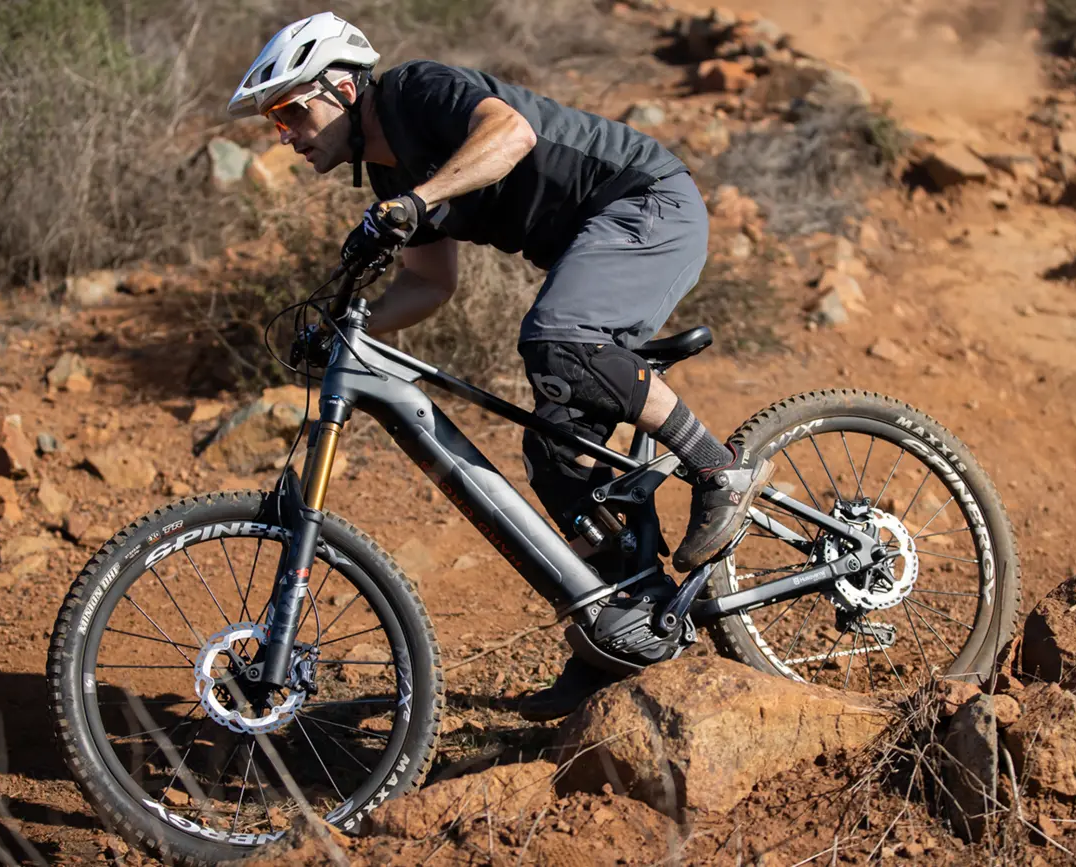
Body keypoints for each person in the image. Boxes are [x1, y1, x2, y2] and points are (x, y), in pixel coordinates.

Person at [229, 12, 775, 719]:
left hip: (647, 202)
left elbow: (511, 133)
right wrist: (340, 327)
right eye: (275, 121)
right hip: (600, 240)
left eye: (290, 112)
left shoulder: (415, 91)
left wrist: (419, 200)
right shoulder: (392, 174)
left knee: (556, 338)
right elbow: (430, 284)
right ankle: (629, 630)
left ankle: (718, 468)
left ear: (343, 88)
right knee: (553, 452)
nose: (285, 134)